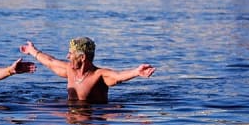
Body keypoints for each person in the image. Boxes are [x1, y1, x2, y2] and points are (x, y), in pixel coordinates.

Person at [20, 36, 155, 104]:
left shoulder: (99, 75)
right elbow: (50, 62)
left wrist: (137, 72)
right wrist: (33, 51)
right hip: (72, 116)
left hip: (93, 118)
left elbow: (118, 76)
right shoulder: (69, 70)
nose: (68, 56)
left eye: (71, 54)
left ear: (82, 57)